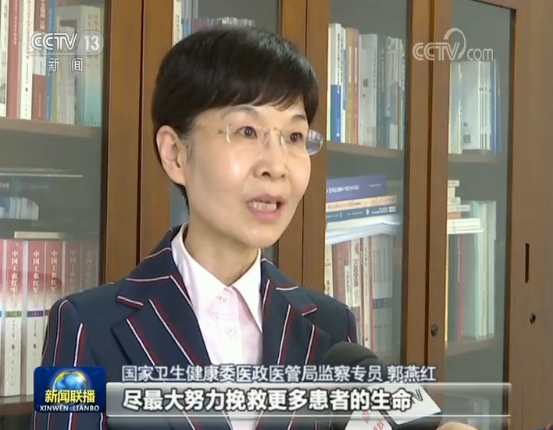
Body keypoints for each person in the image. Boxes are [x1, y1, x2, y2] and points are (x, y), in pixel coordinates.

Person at [31, 26, 356, 430]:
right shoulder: (85, 326)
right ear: (175, 154)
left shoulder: (331, 327)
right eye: (247, 131)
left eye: (294, 136)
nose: (276, 166)